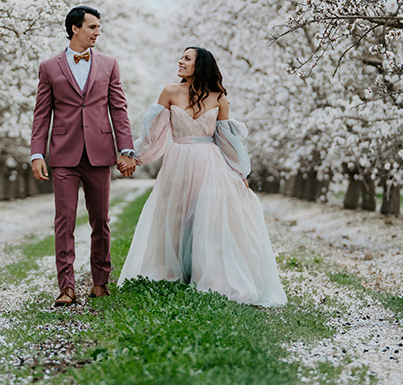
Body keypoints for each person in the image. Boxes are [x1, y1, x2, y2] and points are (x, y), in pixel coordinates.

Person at [118, 46, 287, 307]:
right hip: (178, 160)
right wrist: (134, 156)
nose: (180, 61)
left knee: (207, 217)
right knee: (173, 216)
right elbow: (153, 131)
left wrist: (240, 172)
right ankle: (170, 272)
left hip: (211, 163)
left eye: (187, 58)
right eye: (181, 57)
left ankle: (207, 274)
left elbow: (226, 139)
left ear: (201, 64)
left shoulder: (220, 98)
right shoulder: (170, 91)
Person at [31, 5, 138, 307]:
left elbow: (118, 108)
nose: (97, 33)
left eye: (98, 27)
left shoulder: (109, 64)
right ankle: (67, 287)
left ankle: (100, 282)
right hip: (64, 156)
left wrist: (126, 149)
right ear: (75, 28)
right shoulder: (49, 67)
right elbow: (42, 115)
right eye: (92, 27)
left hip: (99, 154)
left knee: (100, 220)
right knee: (64, 222)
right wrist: (37, 153)